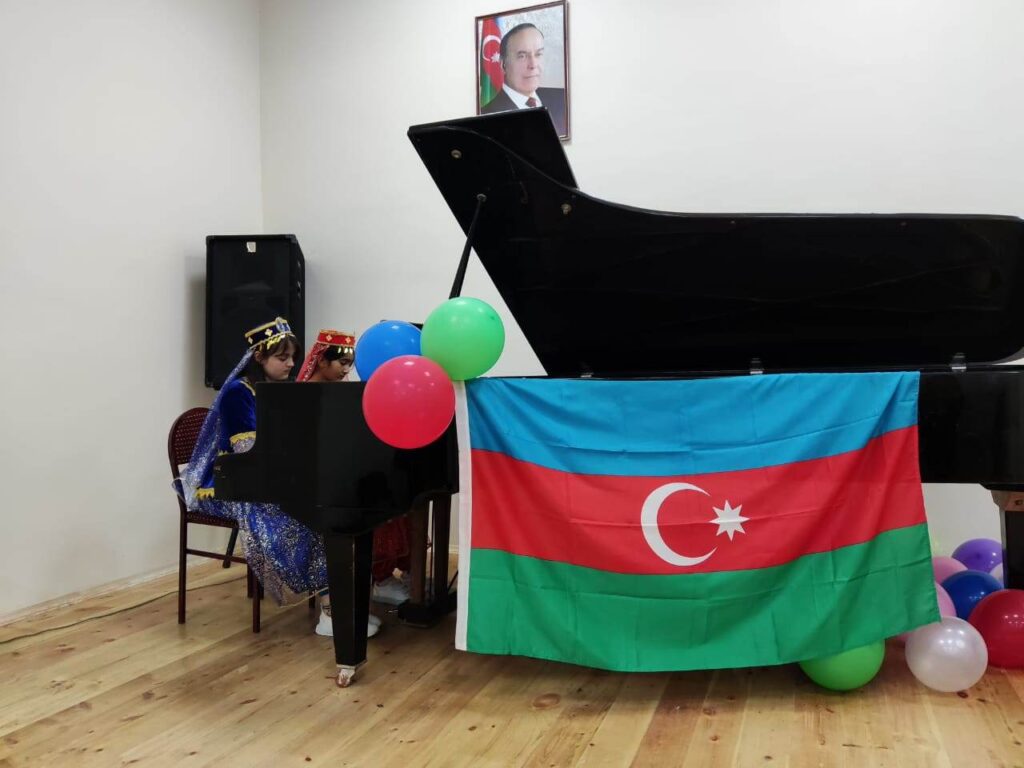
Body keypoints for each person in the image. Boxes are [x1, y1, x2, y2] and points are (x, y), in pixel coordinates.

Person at [179, 318, 345, 627]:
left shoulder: (274, 389)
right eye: (283, 358)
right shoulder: (237, 392)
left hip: (264, 476)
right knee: (301, 517)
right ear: (259, 357)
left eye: (292, 357)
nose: (291, 364)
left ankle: (334, 600)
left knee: (323, 508)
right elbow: (247, 450)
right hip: (232, 482)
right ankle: (330, 610)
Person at [297, 329, 410, 636]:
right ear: (322, 361)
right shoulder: (302, 395)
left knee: (382, 514)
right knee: (334, 528)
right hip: (313, 484)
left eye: (350, 363)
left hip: (340, 475)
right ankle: (331, 612)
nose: (347, 370)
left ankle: (368, 593)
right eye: (342, 363)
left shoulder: (343, 391)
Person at [480, 22, 568, 137]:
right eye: (522, 56)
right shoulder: (487, 116)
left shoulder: (562, 98)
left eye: (538, 54)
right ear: (503, 64)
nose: (533, 65)